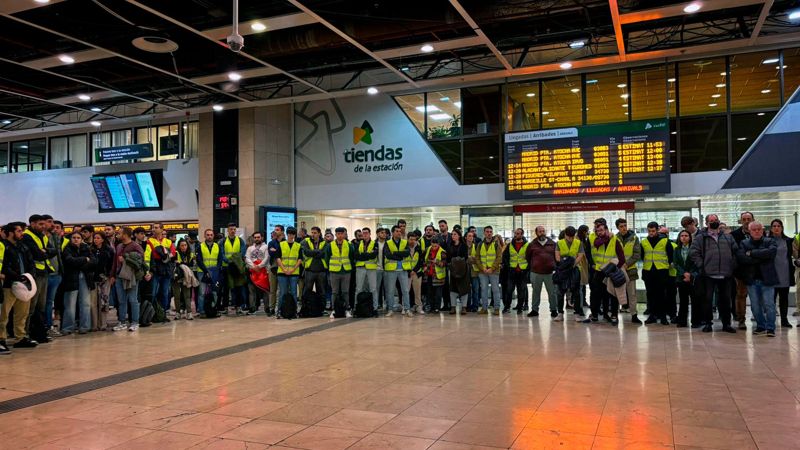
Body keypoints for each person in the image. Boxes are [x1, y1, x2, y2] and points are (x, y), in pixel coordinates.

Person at [690, 214, 738, 333]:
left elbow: (736, 252)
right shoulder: (700, 238)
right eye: (711, 221)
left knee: (726, 300)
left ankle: (726, 324)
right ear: (706, 223)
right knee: (707, 300)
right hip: (708, 275)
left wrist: (732, 265)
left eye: (716, 220)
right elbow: (694, 253)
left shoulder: (728, 237)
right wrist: (702, 265)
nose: (714, 222)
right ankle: (708, 323)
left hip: (726, 274)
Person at [0, 222, 37, 352]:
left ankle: (20, 337)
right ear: (11, 233)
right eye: (19, 231)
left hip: (24, 284)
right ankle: (1, 339)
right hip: (8, 284)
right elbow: (3, 266)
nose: (22, 233)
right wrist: (16, 276)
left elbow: (31, 262)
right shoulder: (3, 246)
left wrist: (29, 276)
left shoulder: (23, 246)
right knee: (4, 314)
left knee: (22, 313)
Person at [737, 221, 778, 336]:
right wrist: (761, 257)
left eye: (759, 229)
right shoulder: (744, 243)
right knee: (755, 306)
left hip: (767, 279)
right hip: (752, 280)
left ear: (762, 230)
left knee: (769, 305)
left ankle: (770, 328)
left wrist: (751, 253)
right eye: (754, 229)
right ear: (749, 231)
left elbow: (771, 253)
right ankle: (761, 326)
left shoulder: (770, 241)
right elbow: (742, 258)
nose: (757, 231)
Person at [585, 221, 625, 326]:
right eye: (597, 231)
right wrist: (607, 237)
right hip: (599, 271)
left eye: (601, 230)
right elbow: (597, 244)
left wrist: (616, 269)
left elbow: (622, 258)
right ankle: (594, 315)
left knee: (613, 294)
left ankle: (614, 315)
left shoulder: (615, 240)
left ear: (606, 229)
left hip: (611, 271)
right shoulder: (597, 239)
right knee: (596, 293)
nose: (599, 232)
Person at [110, 227, 145, 332]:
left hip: (131, 277)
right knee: (121, 300)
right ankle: (122, 322)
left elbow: (141, 261)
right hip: (119, 276)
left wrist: (126, 258)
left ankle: (135, 322)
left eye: (119, 233)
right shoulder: (119, 246)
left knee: (133, 300)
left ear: (125, 235)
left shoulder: (136, 246)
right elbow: (115, 262)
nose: (118, 235)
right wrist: (112, 275)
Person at [61, 231, 96, 335]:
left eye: (78, 238)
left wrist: (79, 263)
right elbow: (69, 261)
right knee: (70, 304)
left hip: (85, 278)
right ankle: (68, 328)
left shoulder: (86, 248)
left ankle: (84, 327)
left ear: (81, 239)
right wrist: (84, 259)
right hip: (71, 279)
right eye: (74, 237)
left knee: (86, 303)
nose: (76, 239)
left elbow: (94, 262)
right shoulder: (67, 249)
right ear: (70, 239)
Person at [641, 222, 673, 325]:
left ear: (657, 230)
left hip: (661, 271)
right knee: (650, 294)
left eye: (653, 231)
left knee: (661, 294)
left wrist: (666, 265)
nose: (651, 233)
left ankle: (663, 316)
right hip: (648, 271)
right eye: (649, 231)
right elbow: (642, 256)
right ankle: (652, 315)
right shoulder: (644, 242)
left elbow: (670, 255)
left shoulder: (665, 241)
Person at [527, 226, 558, 320]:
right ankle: (534, 310)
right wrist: (534, 265)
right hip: (536, 272)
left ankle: (553, 310)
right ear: (536, 233)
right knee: (535, 292)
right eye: (540, 231)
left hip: (550, 273)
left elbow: (557, 256)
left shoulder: (552, 244)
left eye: (543, 231)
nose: (542, 233)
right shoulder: (532, 244)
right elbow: (528, 257)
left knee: (552, 293)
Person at [555, 226, 586, 321]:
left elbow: (580, 256)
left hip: (574, 269)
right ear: (565, 235)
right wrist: (564, 265)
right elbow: (557, 256)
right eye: (569, 237)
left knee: (576, 292)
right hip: (562, 270)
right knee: (560, 292)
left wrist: (572, 265)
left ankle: (577, 313)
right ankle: (560, 313)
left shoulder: (578, 243)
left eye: (572, 237)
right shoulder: (559, 243)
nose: (571, 239)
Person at [731, 212, 755, 330]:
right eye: (744, 219)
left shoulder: (758, 232)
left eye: (748, 219)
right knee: (741, 296)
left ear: (753, 219)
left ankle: (759, 319)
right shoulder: (734, 235)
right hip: (740, 271)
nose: (746, 221)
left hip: (757, 270)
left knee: (757, 296)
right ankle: (741, 320)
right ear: (741, 221)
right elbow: (734, 253)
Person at [146, 224, 176, 316]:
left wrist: (161, 252)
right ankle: (153, 312)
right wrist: (165, 253)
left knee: (165, 292)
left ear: (162, 229)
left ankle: (163, 312)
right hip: (155, 268)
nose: (153, 229)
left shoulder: (168, 241)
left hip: (166, 269)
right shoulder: (149, 241)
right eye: (153, 228)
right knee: (153, 292)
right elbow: (149, 255)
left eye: (156, 228)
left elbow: (173, 253)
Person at [615, 218, 642, 322]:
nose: (624, 228)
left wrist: (626, 264)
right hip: (618, 270)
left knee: (632, 294)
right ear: (617, 228)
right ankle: (614, 314)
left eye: (625, 225)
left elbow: (636, 254)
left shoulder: (634, 238)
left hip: (630, 270)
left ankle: (634, 315)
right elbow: (612, 253)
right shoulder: (614, 238)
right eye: (621, 226)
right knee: (616, 293)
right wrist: (619, 265)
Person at [770, 219, 795, 328]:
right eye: (774, 226)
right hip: (772, 274)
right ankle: (771, 320)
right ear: (771, 228)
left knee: (784, 298)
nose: (776, 228)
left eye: (778, 226)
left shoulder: (789, 241)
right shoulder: (767, 241)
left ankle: (784, 320)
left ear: (782, 228)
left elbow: (794, 254)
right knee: (771, 300)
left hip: (785, 272)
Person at [383, 225, 412, 317]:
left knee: (405, 290)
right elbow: (388, 255)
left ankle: (407, 309)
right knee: (390, 291)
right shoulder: (388, 243)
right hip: (391, 270)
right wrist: (400, 256)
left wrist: (395, 253)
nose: (399, 233)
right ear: (392, 233)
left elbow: (407, 253)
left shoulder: (404, 242)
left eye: (400, 231)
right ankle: (390, 309)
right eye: (397, 231)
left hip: (403, 269)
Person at [43, 216, 64, 338]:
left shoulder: (55, 236)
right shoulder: (40, 237)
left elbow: (57, 253)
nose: (52, 225)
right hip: (45, 274)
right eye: (50, 222)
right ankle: (44, 326)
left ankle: (49, 326)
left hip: (56, 274)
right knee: (43, 303)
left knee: (50, 302)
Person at [325, 227, 355, 318]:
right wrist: (330, 268)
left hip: (346, 271)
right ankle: (334, 310)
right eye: (338, 234)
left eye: (342, 234)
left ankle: (346, 309)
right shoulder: (330, 245)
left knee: (345, 292)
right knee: (334, 292)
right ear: (335, 234)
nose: (340, 235)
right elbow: (327, 258)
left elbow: (352, 257)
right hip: (334, 271)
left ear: (344, 234)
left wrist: (350, 268)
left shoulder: (349, 245)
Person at [220, 223, 248, 315]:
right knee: (226, 288)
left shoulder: (240, 240)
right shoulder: (223, 241)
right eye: (231, 229)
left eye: (234, 229)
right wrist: (228, 261)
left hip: (236, 267)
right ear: (227, 230)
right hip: (226, 267)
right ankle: (225, 307)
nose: (233, 231)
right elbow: (221, 253)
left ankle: (238, 307)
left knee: (238, 287)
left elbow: (242, 252)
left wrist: (234, 261)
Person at [88, 232, 114, 331]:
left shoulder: (109, 250)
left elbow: (112, 265)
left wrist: (111, 276)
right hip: (93, 279)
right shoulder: (90, 250)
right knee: (93, 303)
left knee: (104, 302)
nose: (96, 240)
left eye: (98, 238)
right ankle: (94, 325)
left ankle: (103, 324)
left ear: (103, 239)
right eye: (95, 238)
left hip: (105, 279)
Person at [276, 227, 302, 319]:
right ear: (287, 234)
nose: (291, 236)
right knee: (282, 292)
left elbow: (300, 259)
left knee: (294, 293)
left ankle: (294, 311)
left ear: (295, 235)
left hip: (294, 273)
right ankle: (279, 311)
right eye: (289, 234)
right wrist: (284, 269)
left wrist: (292, 269)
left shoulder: (298, 246)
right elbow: (278, 258)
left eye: (293, 234)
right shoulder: (281, 244)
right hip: (282, 272)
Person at [475, 226, 503, 315]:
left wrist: (492, 268)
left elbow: (499, 257)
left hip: (494, 271)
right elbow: (477, 258)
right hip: (482, 271)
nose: (489, 233)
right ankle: (484, 308)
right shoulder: (480, 244)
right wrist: (482, 268)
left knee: (495, 290)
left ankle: (496, 308)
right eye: (487, 231)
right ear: (484, 233)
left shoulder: (496, 244)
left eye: (491, 232)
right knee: (484, 290)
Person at [673, 230, 697, 328]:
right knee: (683, 301)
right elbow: (675, 263)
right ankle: (682, 321)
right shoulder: (676, 249)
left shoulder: (694, 249)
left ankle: (695, 321)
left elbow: (696, 263)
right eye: (682, 235)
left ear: (690, 237)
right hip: (681, 278)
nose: (684, 237)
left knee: (695, 300)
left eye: (686, 235)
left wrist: (690, 274)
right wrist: (684, 273)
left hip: (693, 278)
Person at [196, 229, 222, 317]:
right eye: (208, 235)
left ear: (213, 236)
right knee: (202, 293)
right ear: (204, 236)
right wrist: (206, 271)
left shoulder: (217, 246)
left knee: (215, 292)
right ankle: (202, 311)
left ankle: (214, 310)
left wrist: (217, 269)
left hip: (214, 272)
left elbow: (220, 259)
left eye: (211, 235)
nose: (209, 236)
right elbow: (199, 260)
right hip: (202, 272)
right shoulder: (200, 246)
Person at [503, 228, 529, 315]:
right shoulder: (510, 245)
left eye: (518, 233)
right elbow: (505, 256)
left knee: (521, 291)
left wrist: (527, 268)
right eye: (515, 233)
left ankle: (520, 308)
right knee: (509, 290)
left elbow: (530, 257)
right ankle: (507, 307)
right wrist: (508, 266)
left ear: (522, 234)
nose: (516, 235)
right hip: (512, 271)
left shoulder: (527, 245)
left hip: (523, 272)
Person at [354, 227, 379, 312]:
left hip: (371, 268)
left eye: (366, 233)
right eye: (363, 233)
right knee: (359, 289)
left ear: (370, 234)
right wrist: (367, 254)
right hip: (360, 268)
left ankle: (375, 308)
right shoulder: (358, 244)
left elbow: (374, 255)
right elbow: (356, 256)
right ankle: (356, 307)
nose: (364, 234)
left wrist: (363, 255)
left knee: (373, 289)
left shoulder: (375, 243)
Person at [245, 231, 269, 314]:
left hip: (263, 272)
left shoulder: (266, 247)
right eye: (255, 237)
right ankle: (252, 307)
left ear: (262, 238)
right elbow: (247, 258)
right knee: (251, 291)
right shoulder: (250, 248)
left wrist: (259, 266)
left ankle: (267, 308)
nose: (256, 239)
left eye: (258, 237)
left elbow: (266, 258)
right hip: (252, 272)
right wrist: (253, 267)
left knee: (265, 291)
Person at [173, 239, 197, 320]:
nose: (184, 247)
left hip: (186, 277)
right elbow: (174, 263)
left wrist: (181, 263)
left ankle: (189, 313)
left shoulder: (191, 254)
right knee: (177, 295)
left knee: (187, 295)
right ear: (179, 246)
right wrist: (182, 264)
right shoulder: (175, 253)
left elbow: (191, 265)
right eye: (182, 245)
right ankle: (178, 313)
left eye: (185, 245)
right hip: (176, 277)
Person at [301, 226, 328, 299]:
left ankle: (321, 305)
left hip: (321, 270)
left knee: (321, 291)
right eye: (312, 232)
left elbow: (323, 254)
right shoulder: (306, 241)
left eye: (315, 233)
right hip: (310, 270)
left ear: (319, 233)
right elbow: (306, 252)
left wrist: (312, 252)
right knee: (307, 290)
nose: (313, 234)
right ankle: (306, 305)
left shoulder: (325, 242)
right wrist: (317, 251)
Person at [447, 229, 470, 314]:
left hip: (463, 269)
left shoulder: (464, 246)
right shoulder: (450, 246)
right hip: (453, 270)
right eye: (452, 234)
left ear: (459, 236)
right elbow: (448, 258)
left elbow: (465, 257)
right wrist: (453, 262)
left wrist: (456, 260)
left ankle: (464, 307)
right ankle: (453, 307)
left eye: (455, 234)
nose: (453, 236)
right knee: (453, 288)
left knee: (464, 288)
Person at [267, 225, 285, 316]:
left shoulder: (285, 242)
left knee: (282, 290)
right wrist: (277, 251)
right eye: (275, 230)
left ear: (282, 231)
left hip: (283, 268)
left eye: (277, 230)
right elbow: (271, 253)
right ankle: (272, 308)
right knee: (272, 290)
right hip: (273, 267)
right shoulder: (271, 242)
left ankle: (281, 308)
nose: (275, 231)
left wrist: (276, 250)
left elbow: (283, 253)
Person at [407, 232, 425, 315]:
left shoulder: (419, 248)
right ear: (408, 239)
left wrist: (414, 270)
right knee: (406, 291)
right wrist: (409, 271)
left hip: (417, 273)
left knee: (417, 291)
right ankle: (406, 307)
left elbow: (421, 261)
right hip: (407, 272)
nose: (413, 241)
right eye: (411, 239)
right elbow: (404, 260)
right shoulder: (404, 248)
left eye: (414, 239)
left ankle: (419, 306)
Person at [465, 231, 481, 312]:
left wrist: (469, 258)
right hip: (465, 272)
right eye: (469, 236)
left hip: (475, 272)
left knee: (476, 290)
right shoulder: (463, 247)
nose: (471, 237)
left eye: (472, 236)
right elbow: (463, 259)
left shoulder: (476, 246)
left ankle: (475, 306)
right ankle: (467, 306)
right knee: (467, 290)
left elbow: (478, 259)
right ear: (466, 237)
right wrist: (471, 258)